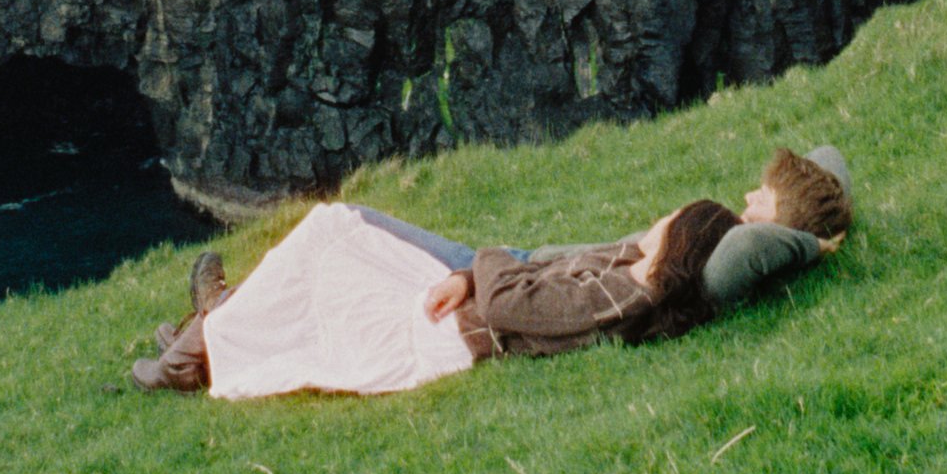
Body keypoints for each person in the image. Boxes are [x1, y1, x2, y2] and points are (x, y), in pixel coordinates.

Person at [128, 141, 851, 399]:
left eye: (661, 227)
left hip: (467, 308)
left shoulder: (624, 294)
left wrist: (480, 267)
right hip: (481, 287)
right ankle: (212, 323)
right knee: (335, 231)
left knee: (331, 236)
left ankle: (195, 343)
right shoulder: (652, 271)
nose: (648, 226)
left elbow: (512, 305)